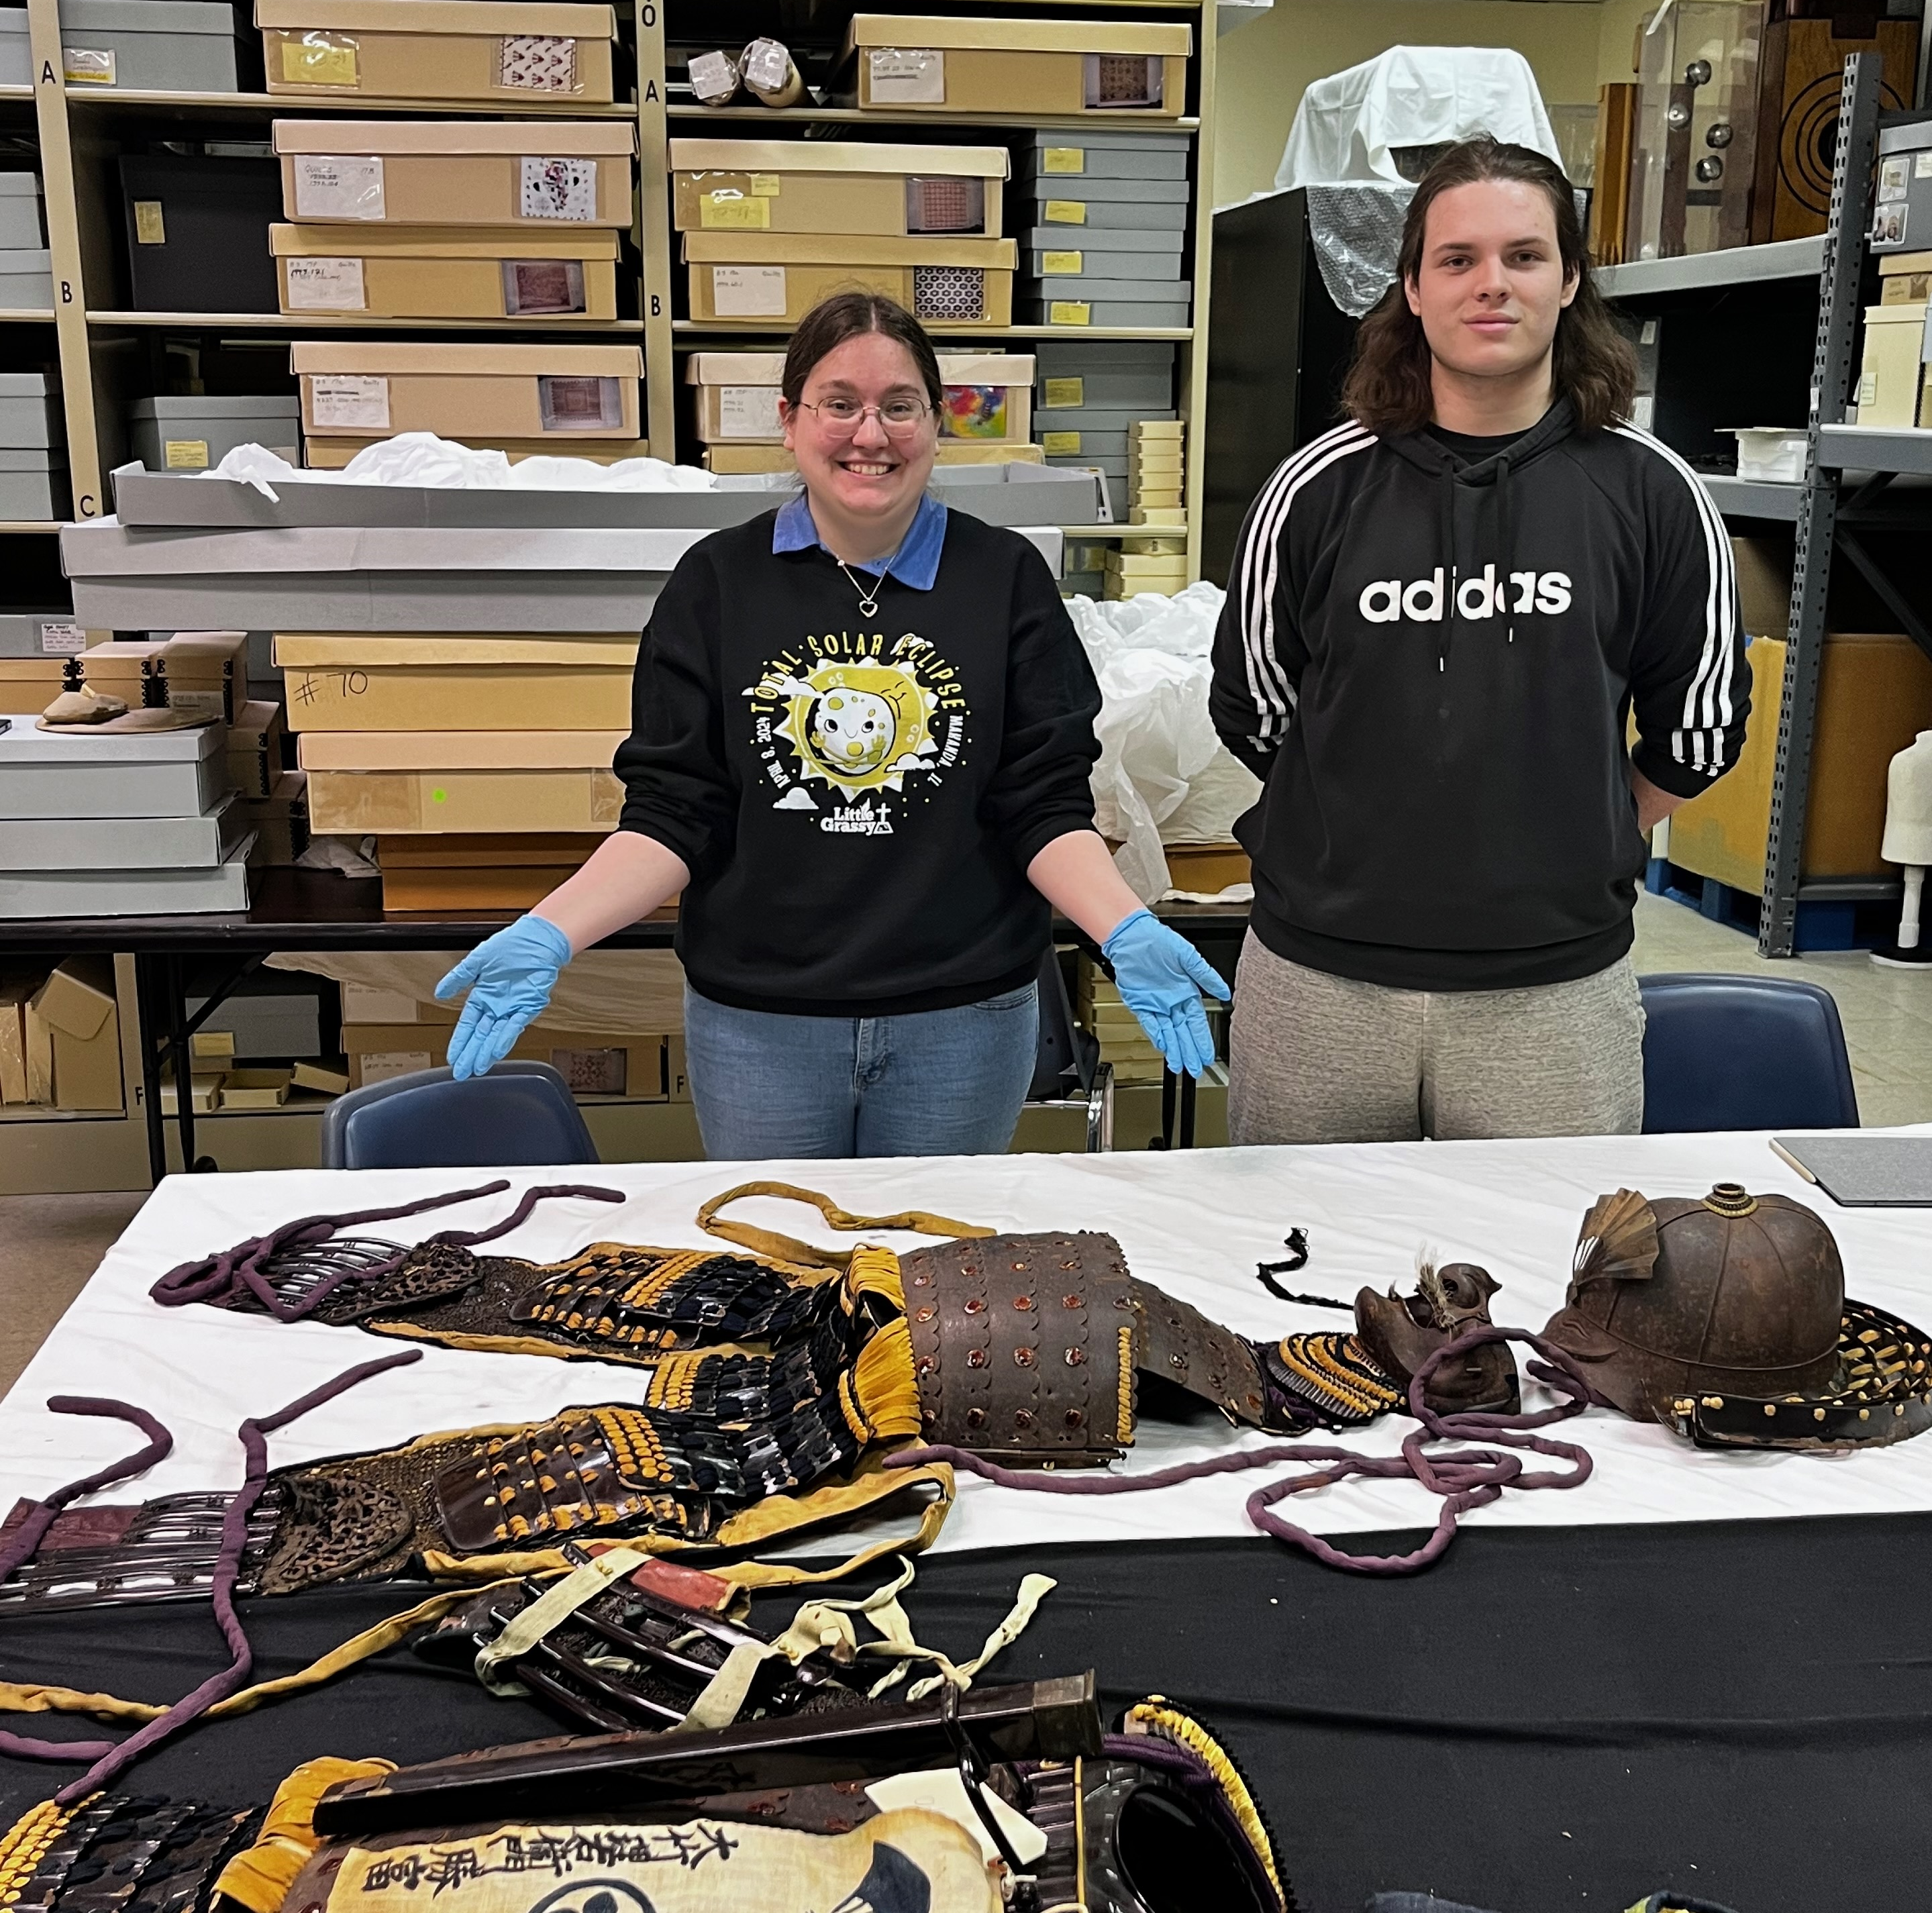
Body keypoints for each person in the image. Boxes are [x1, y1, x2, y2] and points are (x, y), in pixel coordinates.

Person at [436, 289, 1226, 1157]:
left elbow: (1040, 803)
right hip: (761, 1028)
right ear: (790, 421)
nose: (870, 434)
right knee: (779, 1242)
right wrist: (551, 930)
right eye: (840, 404)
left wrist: (1124, 928)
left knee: (933, 1246)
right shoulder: (717, 583)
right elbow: (674, 812)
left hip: (962, 1022)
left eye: (900, 406)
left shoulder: (1003, 580)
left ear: (936, 422)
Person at [1209, 136, 1749, 1145]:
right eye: (1457, 259)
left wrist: (1590, 823)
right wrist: (1361, 815)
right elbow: (1255, 705)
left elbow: (1702, 726)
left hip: (1555, 994)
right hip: (1321, 985)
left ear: (1569, 280)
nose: (1491, 284)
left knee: (1558, 1252)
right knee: (1300, 1244)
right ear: (1413, 288)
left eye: (1524, 256)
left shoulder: (1652, 491)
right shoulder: (1315, 488)